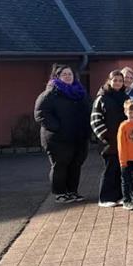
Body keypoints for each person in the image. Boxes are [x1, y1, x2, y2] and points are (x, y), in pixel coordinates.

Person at [34, 64, 92, 204]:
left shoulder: (80, 93)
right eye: (64, 74)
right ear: (57, 77)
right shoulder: (50, 93)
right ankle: (60, 193)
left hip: (78, 137)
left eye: (70, 74)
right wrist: (58, 128)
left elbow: (89, 110)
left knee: (75, 165)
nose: (67, 76)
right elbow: (40, 114)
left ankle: (72, 191)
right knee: (60, 165)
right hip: (58, 139)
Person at [91, 70, 130, 207]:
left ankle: (118, 196)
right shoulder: (102, 98)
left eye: (120, 81)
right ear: (109, 81)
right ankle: (105, 198)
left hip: (123, 140)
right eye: (115, 80)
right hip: (108, 142)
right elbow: (95, 120)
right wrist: (105, 137)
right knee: (110, 169)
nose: (118, 83)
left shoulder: (125, 97)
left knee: (120, 169)